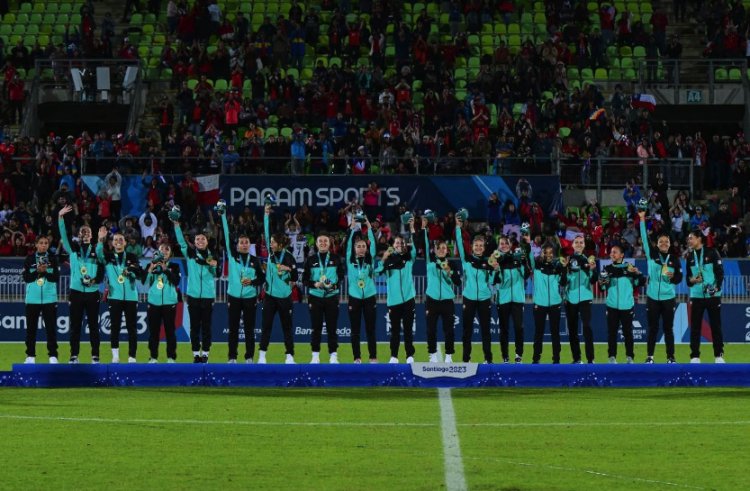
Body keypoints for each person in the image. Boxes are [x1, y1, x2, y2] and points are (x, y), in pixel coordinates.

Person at [220, 204, 264, 363]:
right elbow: (226, 235)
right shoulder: (233, 256)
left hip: (250, 298)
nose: (244, 244)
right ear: (237, 245)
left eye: (246, 242)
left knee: (249, 329)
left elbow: (262, 279)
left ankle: (249, 357)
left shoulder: (255, 261)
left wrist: (252, 281)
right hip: (233, 297)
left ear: (249, 244)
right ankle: (232, 357)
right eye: (242, 242)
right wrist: (223, 216)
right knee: (233, 329)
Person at [58, 205, 103, 364]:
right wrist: (60, 218)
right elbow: (63, 235)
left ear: (91, 236)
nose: (84, 234)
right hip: (76, 292)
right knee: (75, 326)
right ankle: (74, 355)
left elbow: (102, 269)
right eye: (82, 232)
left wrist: (94, 281)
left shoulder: (97, 250)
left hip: (92, 292)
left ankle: (95, 356)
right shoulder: (73, 250)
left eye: (88, 232)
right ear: (78, 235)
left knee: (93, 326)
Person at [172, 209, 218, 363]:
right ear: (195, 241)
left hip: (207, 296)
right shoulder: (190, 254)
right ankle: (195, 354)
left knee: (206, 327)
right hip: (192, 295)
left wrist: (213, 265)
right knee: (194, 327)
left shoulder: (213, 255)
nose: (200, 241)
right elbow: (180, 241)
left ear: (207, 240)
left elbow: (216, 273)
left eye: (202, 239)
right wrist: (176, 224)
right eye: (197, 239)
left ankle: (205, 353)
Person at [639, 210, 683, 363]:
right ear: (657, 244)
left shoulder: (674, 259)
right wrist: (642, 219)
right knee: (652, 329)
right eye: (661, 242)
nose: (664, 244)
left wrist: (673, 278)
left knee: (668, 329)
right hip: (652, 298)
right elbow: (644, 238)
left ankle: (671, 357)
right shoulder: (652, 254)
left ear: (670, 244)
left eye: (666, 242)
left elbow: (679, 278)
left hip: (668, 298)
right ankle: (650, 357)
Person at [258, 203, 299, 364]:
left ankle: (289, 356)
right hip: (269, 297)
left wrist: (287, 268)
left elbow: (295, 276)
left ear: (280, 244)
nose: (271, 244)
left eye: (274, 242)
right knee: (266, 326)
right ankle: (262, 355)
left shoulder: (289, 256)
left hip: (285, 297)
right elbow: (266, 233)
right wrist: (266, 214)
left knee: (287, 328)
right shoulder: (270, 254)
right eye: (271, 242)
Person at [418, 214, 461, 363]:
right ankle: (433, 354)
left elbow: (458, 283)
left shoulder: (452, 264)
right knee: (431, 329)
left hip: (448, 301)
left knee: (449, 330)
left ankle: (449, 355)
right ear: (435, 250)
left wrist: (449, 270)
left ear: (447, 250)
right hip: (432, 300)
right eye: (439, 248)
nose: (442, 250)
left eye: (444, 248)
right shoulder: (430, 262)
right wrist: (423, 228)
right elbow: (424, 244)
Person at [97, 227, 144, 363]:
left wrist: (131, 273)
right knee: (115, 327)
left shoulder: (132, 257)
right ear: (112, 243)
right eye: (115, 240)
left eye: (120, 240)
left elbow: (140, 274)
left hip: (131, 297)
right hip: (114, 297)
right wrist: (100, 240)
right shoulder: (108, 256)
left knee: (132, 328)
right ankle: (115, 356)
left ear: (125, 243)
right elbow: (99, 254)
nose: (118, 242)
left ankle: (132, 357)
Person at [455, 214, 494, 363]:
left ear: (484, 248)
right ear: (472, 247)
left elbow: (491, 280)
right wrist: (458, 227)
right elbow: (459, 242)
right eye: (476, 245)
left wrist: (495, 270)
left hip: (484, 298)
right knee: (467, 331)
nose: (478, 248)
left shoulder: (488, 261)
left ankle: (488, 359)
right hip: (469, 297)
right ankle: (466, 359)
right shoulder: (467, 260)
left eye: (481, 246)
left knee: (485, 331)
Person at [302, 234, 345, 363]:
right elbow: (304, 280)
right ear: (316, 243)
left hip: (332, 297)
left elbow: (341, 276)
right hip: (315, 297)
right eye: (320, 241)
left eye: (325, 241)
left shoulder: (336, 258)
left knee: (332, 327)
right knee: (316, 327)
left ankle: (333, 355)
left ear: (329, 243)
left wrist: (334, 285)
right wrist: (315, 284)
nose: (323, 243)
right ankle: (315, 355)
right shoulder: (310, 260)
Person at [598, 245, 645, 363]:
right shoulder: (606, 269)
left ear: (622, 255)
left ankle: (630, 357)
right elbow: (602, 288)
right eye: (611, 252)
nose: (612, 254)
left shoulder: (630, 268)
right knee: (612, 333)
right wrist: (604, 280)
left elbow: (640, 282)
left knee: (628, 333)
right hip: (612, 306)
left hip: (627, 306)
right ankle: (612, 357)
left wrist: (638, 273)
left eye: (615, 252)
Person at [379, 218, 417, 363]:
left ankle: (409, 356)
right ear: (393, 246)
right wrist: (384, 258)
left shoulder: (409, 259)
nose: (399, 245)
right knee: (394, 331)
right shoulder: (388, 261)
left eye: (401, 243)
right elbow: (376, 272)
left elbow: (415, 244)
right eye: (397, 243)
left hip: (408, 299)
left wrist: (412, 227)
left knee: (408, 330)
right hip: (393, 301)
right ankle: (394, 356)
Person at [686, 230, 725, 363]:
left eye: (691, 238)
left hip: (713, 296)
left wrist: (716, 288)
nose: (689, 241)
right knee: (695, 327)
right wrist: (693, 280)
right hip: (696, 296)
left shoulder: (712, 252)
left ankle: (719, 355)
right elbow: (687, 279)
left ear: (699, 239)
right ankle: (695, 356)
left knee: (716, 326)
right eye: (689, 239)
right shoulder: (690, 256)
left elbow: (720, 273)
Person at [526, 241, 568, 364]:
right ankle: (536, 359)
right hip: (540, 303)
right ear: (542, 253)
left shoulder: (558, 266)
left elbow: (564, 283)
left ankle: (556, 359)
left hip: (555, 303)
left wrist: (564, 269)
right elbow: (529, 257)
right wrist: (528, 243)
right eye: (546, 252)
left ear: (554, 254)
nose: (548, 255)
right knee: (538, 332)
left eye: (551, 252)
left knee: (555, 333)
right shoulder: (536, 265)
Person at [22, 237, 59, 364]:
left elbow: (55, 278)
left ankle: (53, 356)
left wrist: (45, 273)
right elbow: (26, 278)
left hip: (49, 299)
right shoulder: (30, 259)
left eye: (46, 243)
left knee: (51, 329)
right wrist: (38, 271)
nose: (43, 245)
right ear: (36, 244)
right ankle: (30, 356)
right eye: (41, 243)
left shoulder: (53, 259)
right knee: (31, 329)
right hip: (32, 299)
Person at [346, 216, 378, 363]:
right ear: (354, 248)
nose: (361, 248)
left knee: (371, 329)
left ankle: (372, 357)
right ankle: (357, 357)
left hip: (370, 296)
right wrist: (352, 228)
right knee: (355, 331)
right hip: (354, 297)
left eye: (363, 246)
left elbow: (374, 246)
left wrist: (368, 226)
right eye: (358, 246)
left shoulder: (370, 259)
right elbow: (348, 244)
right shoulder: (349, 260)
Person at [494, 236, 529, 363]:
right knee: (504, 329)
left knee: (519, 328)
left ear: (510, 245)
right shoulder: (497, 260)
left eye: (506, 243)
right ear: (499, 246)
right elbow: (495, 281)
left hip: (518, 299)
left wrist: (523, 262)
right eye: (501, 244)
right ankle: (505, 357)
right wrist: (497, 269)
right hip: (503, 299)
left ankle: (518, 355)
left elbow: (526, 276)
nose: (503, 245)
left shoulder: (517, 258)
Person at [564, 235, 599, 364]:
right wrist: (565, 269)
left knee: (586, 327)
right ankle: (577, 359)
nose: (579, 244)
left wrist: (593, 269)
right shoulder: (567, 260)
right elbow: (564, 280)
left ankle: (591, 359)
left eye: (581, 242)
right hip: (570, 298)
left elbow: (594, 280)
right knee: (572, 330)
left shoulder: (588, 261)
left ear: (584, 245)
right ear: (572, 245)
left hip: (585, 297)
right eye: (576, 242)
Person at [145, 243, 181, 363]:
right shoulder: (151, 265)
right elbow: (144, 282)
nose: (164, 251)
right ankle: (153, 357)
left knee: (170, 331)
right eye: (162, 249)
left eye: (167, 249)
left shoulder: (175, 266)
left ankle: (171, 357)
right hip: (153, 302)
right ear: (158, 252)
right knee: (154, 332)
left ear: (170, 253)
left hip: (169, 303)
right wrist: (150, 268)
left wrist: (165, 269)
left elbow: (176, 281)